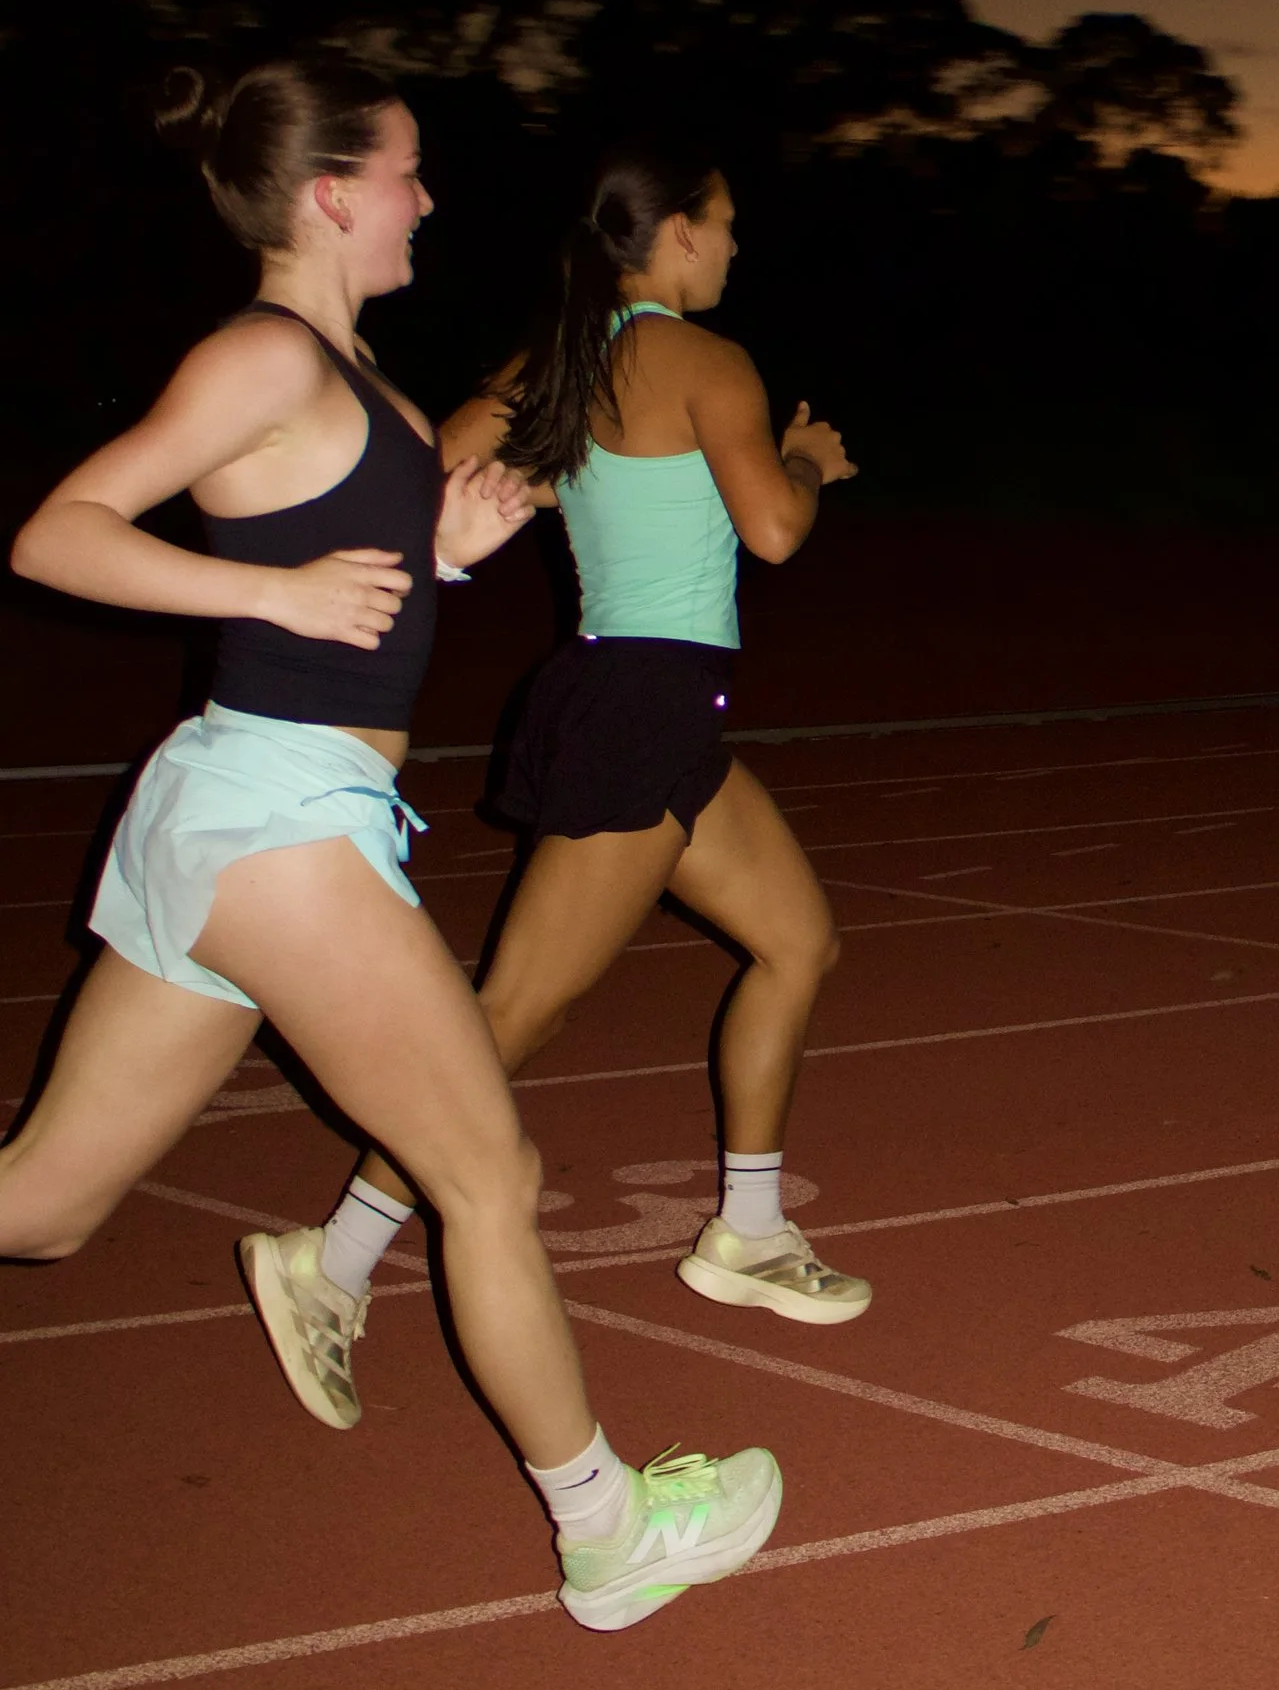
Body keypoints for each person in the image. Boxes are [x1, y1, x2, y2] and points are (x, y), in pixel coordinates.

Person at [1, 56, 781, 1633]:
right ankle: (608, 1528)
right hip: (276, 818)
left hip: (241, 812)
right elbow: (60, 531)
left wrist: (445, 548)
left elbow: (341, 568)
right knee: (489, 1173)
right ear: (329, 193)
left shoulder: (368, 385)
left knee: (42, 1209)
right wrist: (264, 595)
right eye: (409, 170)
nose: (431, 195)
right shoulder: (263, 355)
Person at [282, 137, 866, 1420]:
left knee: (796, 941)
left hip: (643, 700)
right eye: (722, 222)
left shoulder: (553, 360)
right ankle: (325, 1262)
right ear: (674, 236)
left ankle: (750, 1233)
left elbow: (424, 460)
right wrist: (811, 457)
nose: (731, 246)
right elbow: (773, 531)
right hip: (641, 707)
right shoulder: (711, 364)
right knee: (511, 1016)